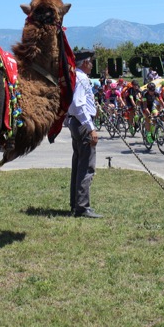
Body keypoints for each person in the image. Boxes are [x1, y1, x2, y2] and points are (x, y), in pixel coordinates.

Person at [66, 49, 103, 218]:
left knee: (78, 164)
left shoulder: (76, 76)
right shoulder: (81, 78)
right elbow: (78, 105)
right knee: (86, 166)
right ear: (85, 62)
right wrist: (91, 128)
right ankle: (82, 207)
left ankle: (76, 204)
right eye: (91, 61)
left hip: (76, 122)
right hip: (82, 124)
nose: (92, 64)